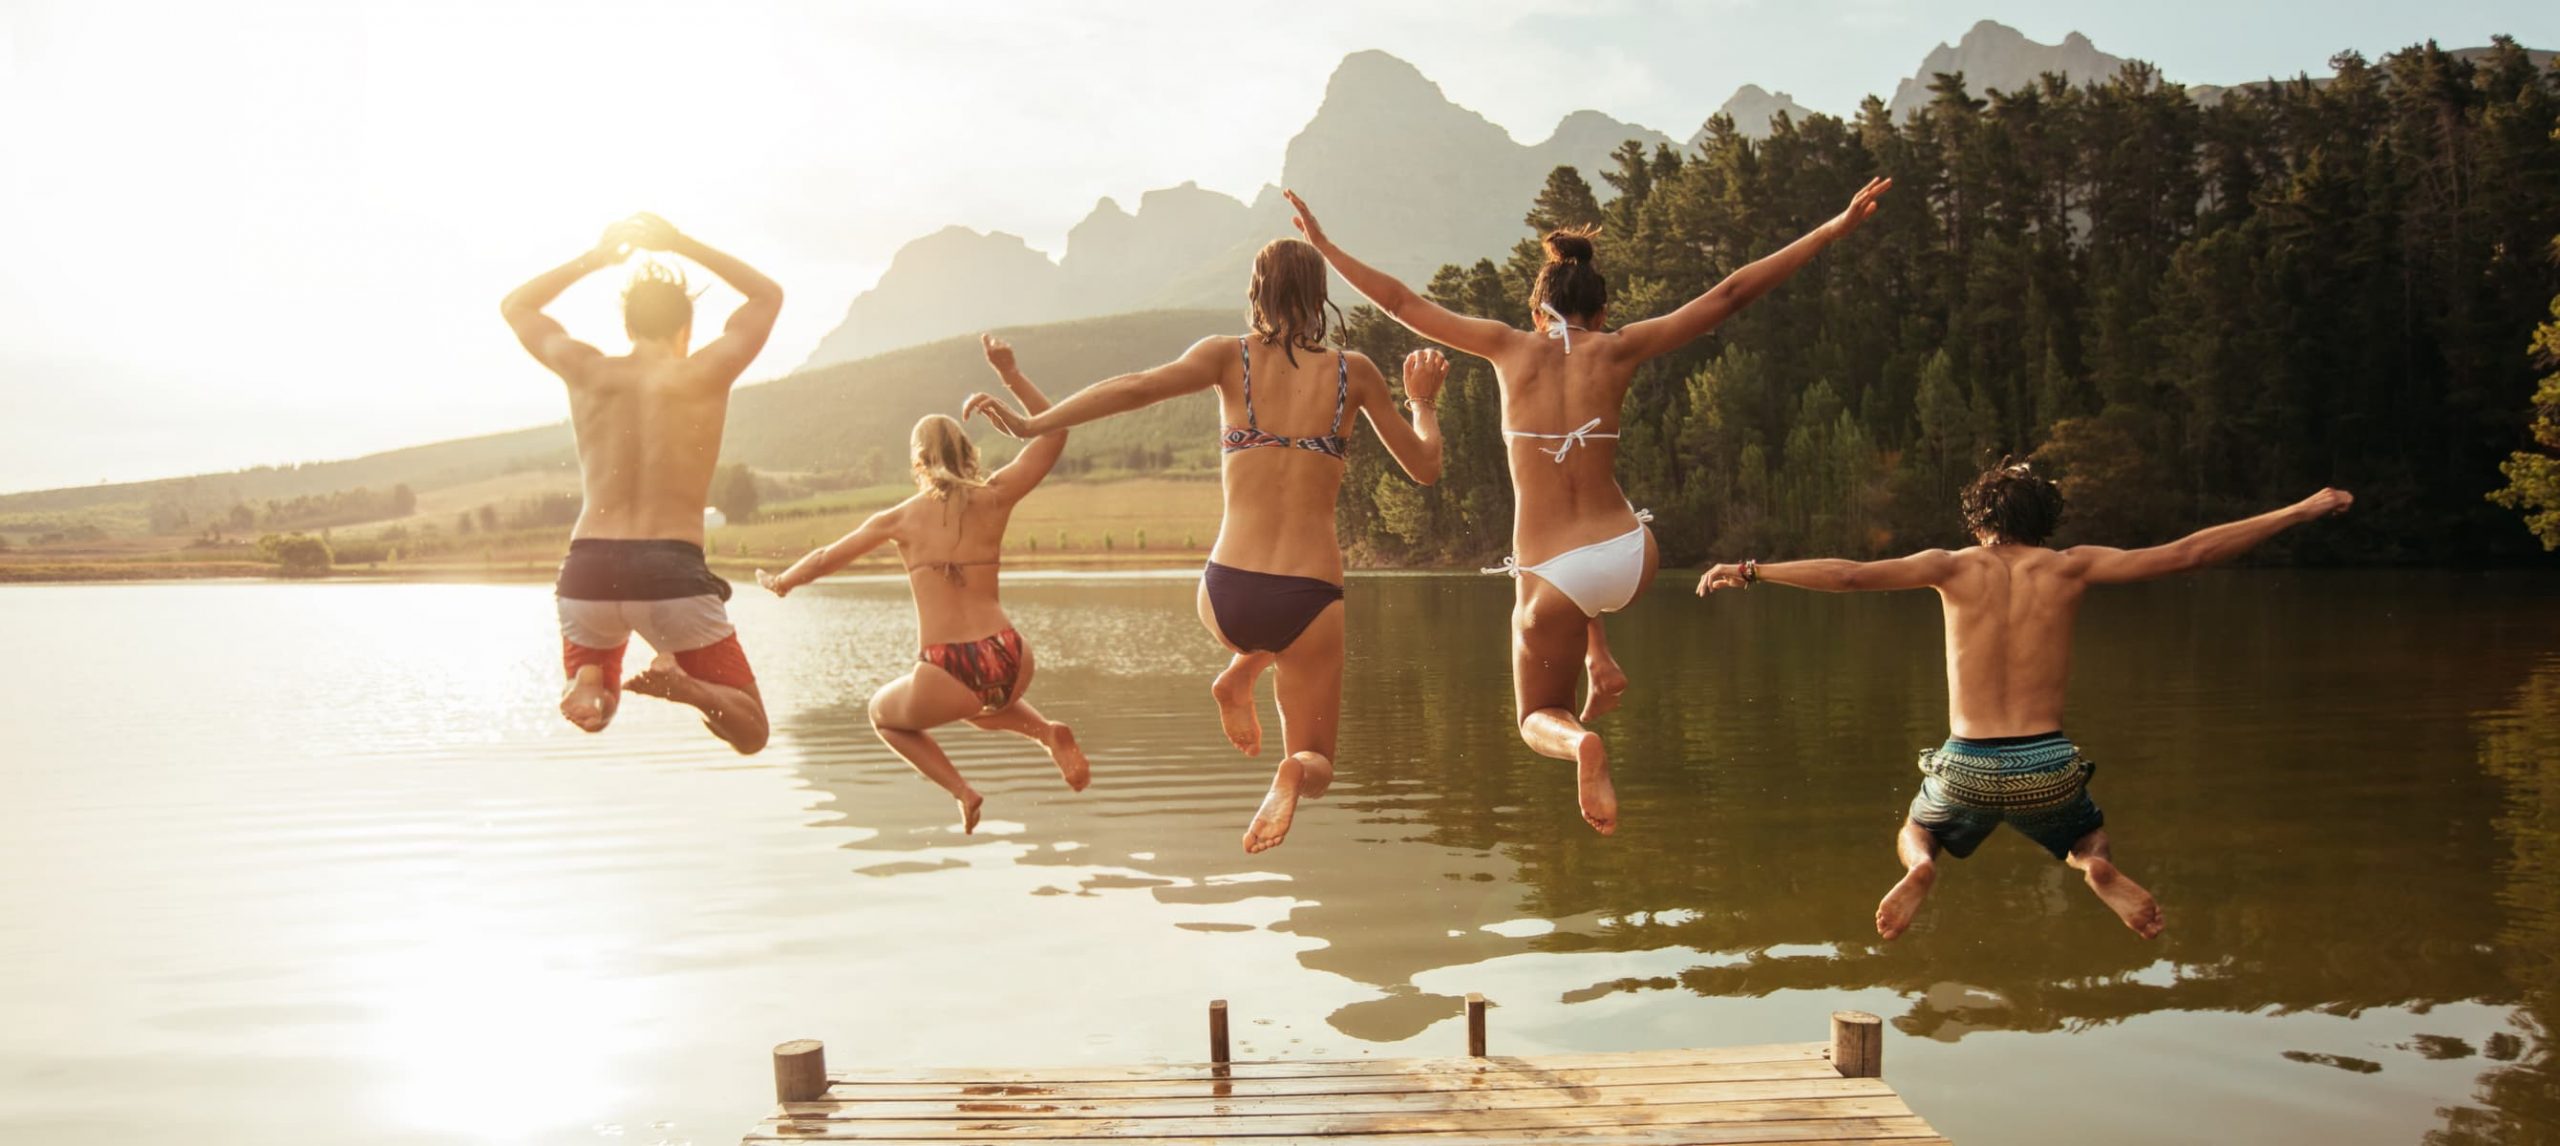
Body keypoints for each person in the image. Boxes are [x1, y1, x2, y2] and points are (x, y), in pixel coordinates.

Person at [1287, 179, 1892, 835]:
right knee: (1583, 535)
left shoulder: (1506, 346)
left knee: (1533, 715)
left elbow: (1401, 300)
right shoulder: (1620, 348)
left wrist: (1323, 246)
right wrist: (1831, 228)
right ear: (1602, 313)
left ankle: (1581, 744)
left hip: (1558, 576)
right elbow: (1730, 294)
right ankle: (1597, 657)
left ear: (1538, 311)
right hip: (1633, 556)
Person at [1699, 464, 2355, 940]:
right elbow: (2190, 554)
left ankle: (1923, 867)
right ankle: (2097, 866)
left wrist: (1753, 570)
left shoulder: (1950, 567)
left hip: (1967, 764)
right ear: (2047, 522)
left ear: (1978, 521)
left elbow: (1848, 574)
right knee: (2085, 833)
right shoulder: (2071, 566)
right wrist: (2300, 509)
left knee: (1919, 828)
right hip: (2047, 762)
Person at [960, 240, 1447, 853]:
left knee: (1257, 635)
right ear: (1318, 293)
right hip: (1312, 596)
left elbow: (1136, 387)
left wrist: (1035, 423)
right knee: (1316, 757)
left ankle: (1241, 668)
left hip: (1227, 591)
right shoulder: (1357, 372)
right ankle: (1288, 764)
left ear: (1257, 292)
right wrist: (1423, 402)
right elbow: (1425, 467)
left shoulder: (1228, 357)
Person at [758, 336, 1090, 833]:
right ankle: (1045, 731)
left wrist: (782, 581)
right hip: (1011, 653)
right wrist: (1011, 375)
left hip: (948, 667)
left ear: (917, 462)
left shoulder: (898, 519)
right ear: (968, 453)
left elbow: (827, 558)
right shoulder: (995, 495)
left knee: (884, 715)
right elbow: (1055, 433)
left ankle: (964, 790)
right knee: (979, 706)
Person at [500, 213, 781, 753]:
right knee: (751, 732)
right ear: (687, 329)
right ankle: (688, 688)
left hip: (587, 571)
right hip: (669, 572)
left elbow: (517, 307)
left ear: (627, 328)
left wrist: (596, 259)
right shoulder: (705, 372)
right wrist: (681, 243)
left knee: (599, 708)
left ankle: (589, 684)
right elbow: (766, 297)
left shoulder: (587, 370)